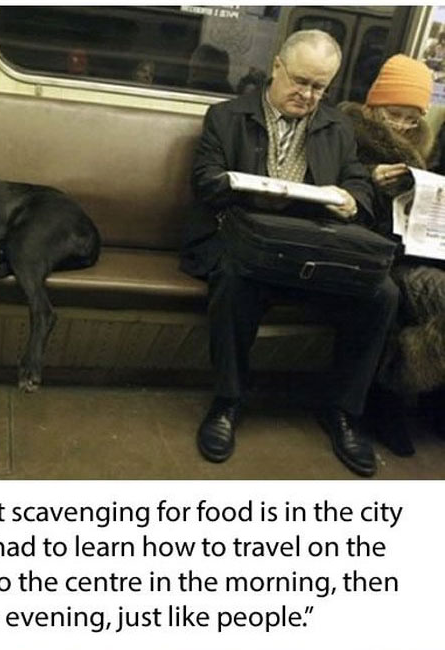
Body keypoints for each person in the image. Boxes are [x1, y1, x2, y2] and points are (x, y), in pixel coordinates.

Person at [180, 29, 399, 477]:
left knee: (384, 295)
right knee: (234, 278)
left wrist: (352, 200)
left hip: (309, 247)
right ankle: (228, 401)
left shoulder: (336, 127)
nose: (308, 94)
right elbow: (205, 181)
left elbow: (358, 184)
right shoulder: (227, 117)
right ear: (276, 66)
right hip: (247, 243)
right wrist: (252, 190)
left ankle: (342, 409)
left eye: (320, 86)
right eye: (300, 81)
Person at [339, 54, 445, 454]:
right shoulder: (345, 133)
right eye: (392, 114)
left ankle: (417, 391)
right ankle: (391, 395)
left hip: (419, 253)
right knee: (397, 296)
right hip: (373, 252)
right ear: (371, 106)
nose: (401, 125)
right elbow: (333, 193)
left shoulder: (422, 145)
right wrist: (369, 182)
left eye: (410, 118)